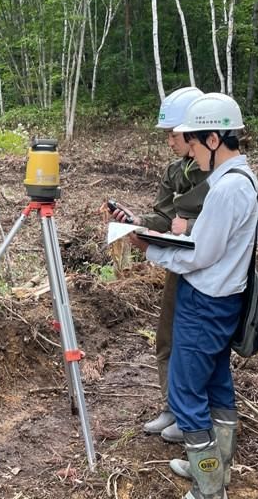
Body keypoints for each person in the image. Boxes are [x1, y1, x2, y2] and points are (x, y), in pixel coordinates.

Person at [130, 93, 258, 499]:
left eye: (193, 138)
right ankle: (215, 468)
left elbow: (200, 255)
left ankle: (208, 487)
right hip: (225, 301)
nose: (190, 149)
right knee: (218, 385)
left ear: (215, 139)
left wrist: (149, 246)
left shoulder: (225, 190)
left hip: (205, 304)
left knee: (187, 397)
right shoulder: (244, 181)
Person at [103, 86, 209, 443]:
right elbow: (163, 217)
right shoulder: (174, 171)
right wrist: (135, 221)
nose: (170, 141)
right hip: (178, 265)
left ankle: (194, 414)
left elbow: (229, 222)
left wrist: (190, 226)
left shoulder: (220, 174)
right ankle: (173, 405)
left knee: (198, 344)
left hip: (209, 269)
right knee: (167, 337)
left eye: (174, 134)